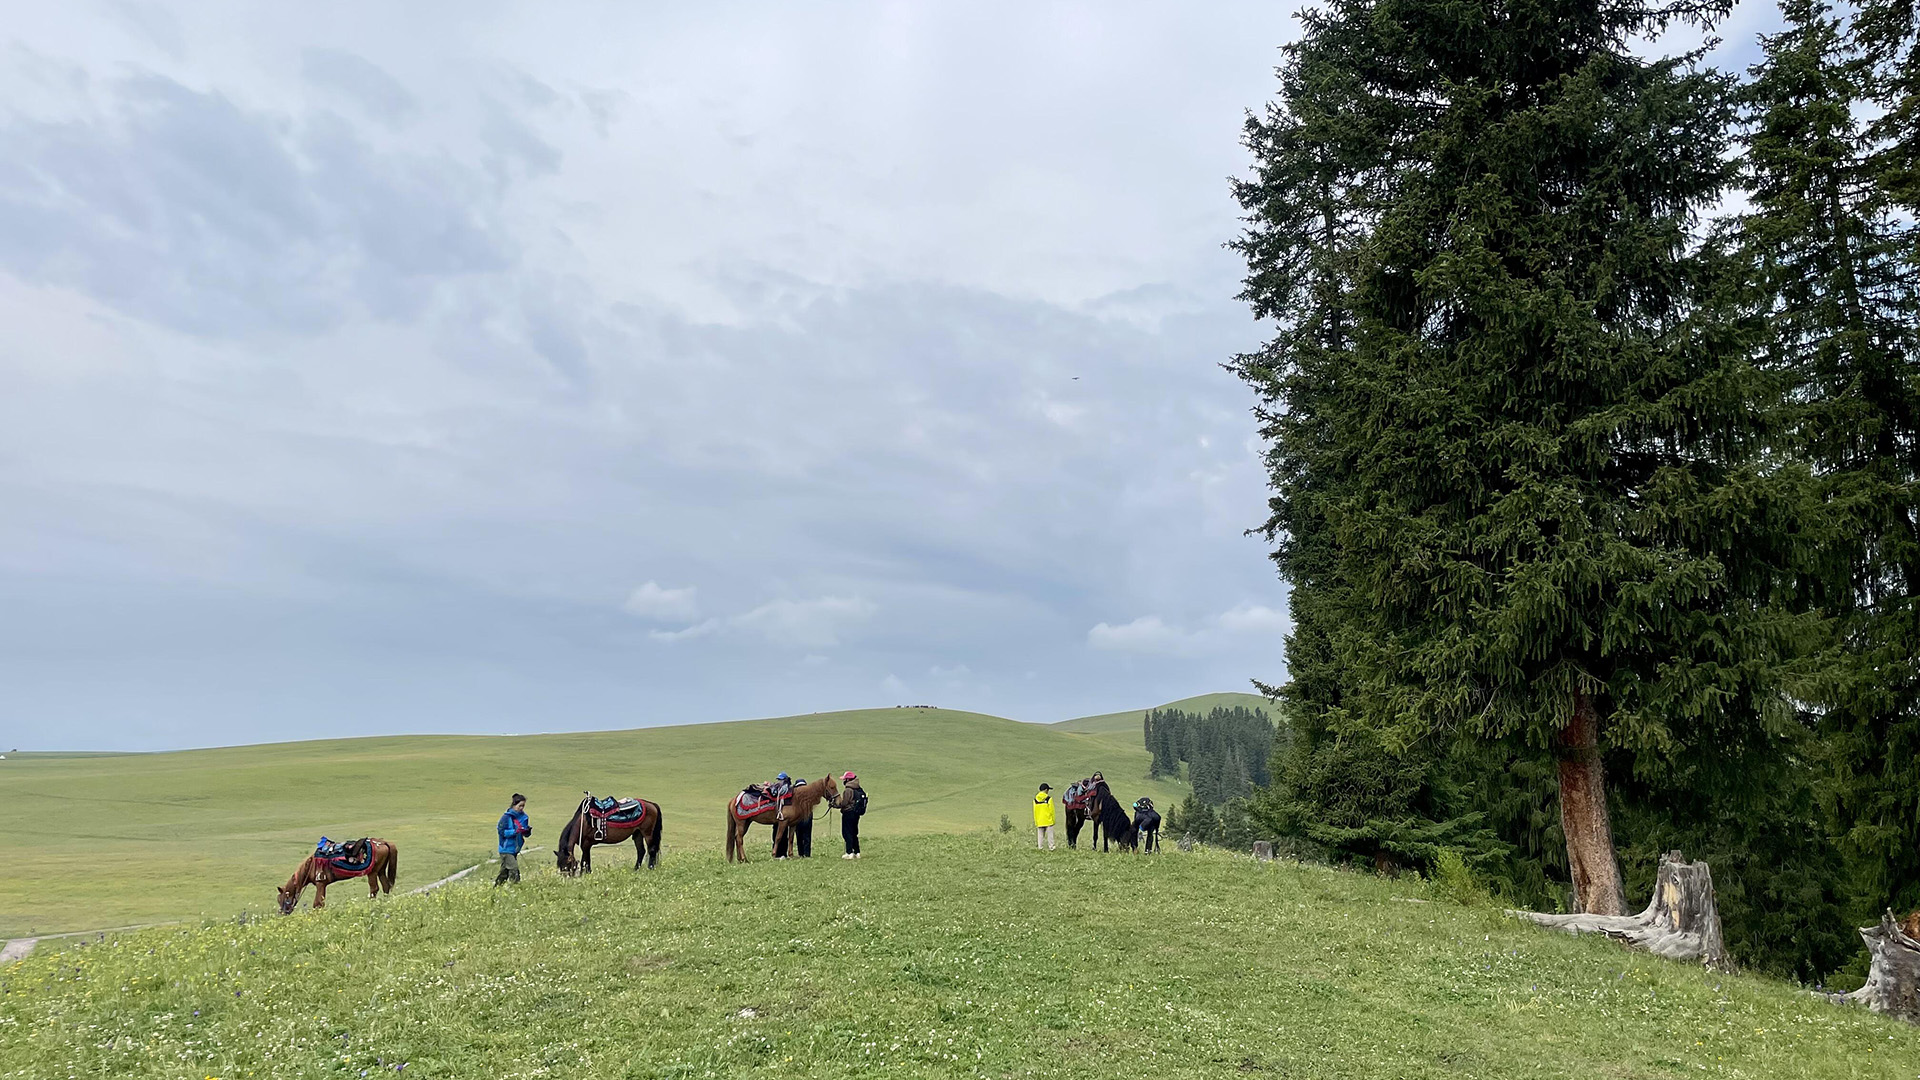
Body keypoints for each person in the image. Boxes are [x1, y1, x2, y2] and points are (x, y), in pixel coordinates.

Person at [495, 793, 531, 886]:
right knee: (514, 869)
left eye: (523, 806)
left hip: (515, 848)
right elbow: (501, 832)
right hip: (506, 848)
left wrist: (526, 831)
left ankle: (497, 887)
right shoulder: (506, 818)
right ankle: (516, 887)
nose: (522, 808)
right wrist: (514, 831)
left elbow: (525, 834)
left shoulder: (524, 818)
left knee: (505, 872)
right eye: (520, 806)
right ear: (514, 805)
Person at [839, 771, 867, 859]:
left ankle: (849, 852)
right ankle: (857, 852)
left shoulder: (848, 790)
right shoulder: (858, 789)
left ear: (848, 780)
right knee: (854, 832)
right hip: (856, 813)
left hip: (848, 813)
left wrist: (836, 804)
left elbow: (844, 803)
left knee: (847, 832)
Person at [1033, 783, 1057, 850]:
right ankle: (1051, 847)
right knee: (1050, 835)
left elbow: (1034, 811)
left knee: (1040, 835)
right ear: (1046, 790)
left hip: (1039, 819)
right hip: (1048, 819)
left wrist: (1036, 820)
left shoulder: (1035, 799)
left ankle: (1040, 847)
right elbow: (1052, 810)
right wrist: (1053, 820)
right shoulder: (1049, 799)